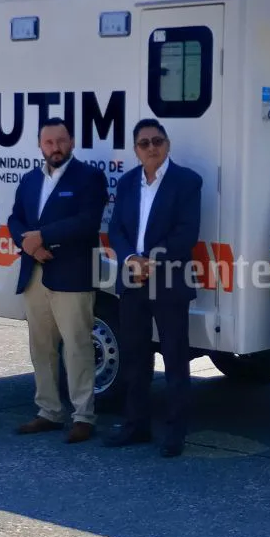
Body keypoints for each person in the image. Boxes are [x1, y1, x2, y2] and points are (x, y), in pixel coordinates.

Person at [7, 117, 108, 444]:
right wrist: (28, 243)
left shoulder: (89, 177)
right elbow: (14, 218)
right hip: (35, 273)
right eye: (49, 142)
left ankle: (83, 416)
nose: (56, 148)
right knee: (41, 347)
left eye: (61, 141)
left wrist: (43, 237)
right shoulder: (30, 180)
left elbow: (87, 221)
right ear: (40, 146)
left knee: (78, 347)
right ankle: (48, 411)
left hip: (72, 275)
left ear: (72, 142)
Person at [105, 118, 202, 458]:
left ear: (167, 144)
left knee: (175, 360)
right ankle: (136, 425)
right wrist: (132, 258)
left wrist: (151, 261)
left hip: (170, 280)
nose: (151, 147)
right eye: (144, 143)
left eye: (157, 141)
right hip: (132, 280)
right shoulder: (128, 182)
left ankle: (175, 433)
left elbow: (186, 232)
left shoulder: (187, 182)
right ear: (136, 149)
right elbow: (116, 229)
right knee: (135, 358)